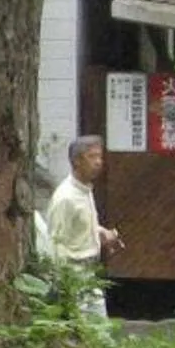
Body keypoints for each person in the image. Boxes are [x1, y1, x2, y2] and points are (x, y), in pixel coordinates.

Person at [43, 135, 122, 318]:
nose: (98, 162)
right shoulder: (65, 197)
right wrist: (62, 285)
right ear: (77, 161)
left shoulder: (85, 190)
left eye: (100, 157)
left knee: (99, 331)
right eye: (92, 157)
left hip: (89, 273)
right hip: (72, 276)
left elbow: (82, 226)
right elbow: (55, 243)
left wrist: (102, 234)